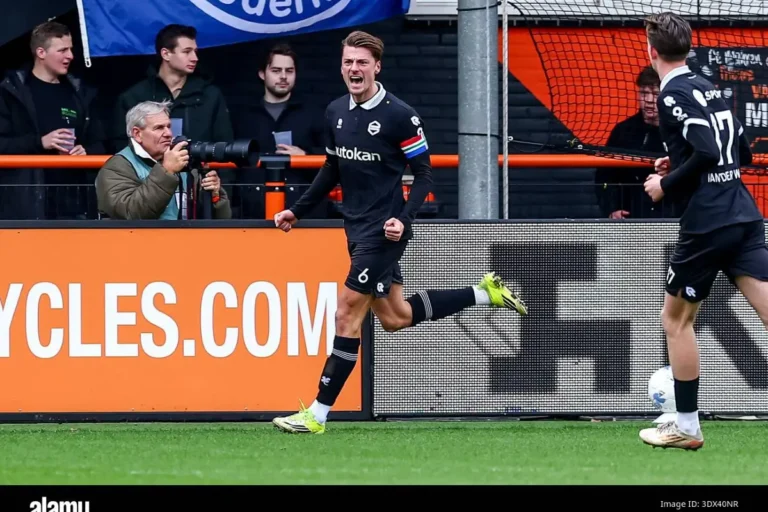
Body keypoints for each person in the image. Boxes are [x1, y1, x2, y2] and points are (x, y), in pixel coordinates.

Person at [270, 31, 528, 434]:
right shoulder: (335, 111)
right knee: (395, 316)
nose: (354, 69)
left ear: (377, 67)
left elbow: (424, 174)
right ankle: (484, 293)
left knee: (346, 312)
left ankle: (317, 415)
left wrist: (404, 219)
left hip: (385, 231)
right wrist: (297, 210)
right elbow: (331, 169)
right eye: (348, 62)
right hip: (355, 227)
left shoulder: (399, 115)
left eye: (362, 62)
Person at [640, 12, 768, 450]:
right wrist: (678, 162)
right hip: (743, 214)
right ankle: (685, 424)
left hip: (708, 223)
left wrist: (666, 184)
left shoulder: (672, 92)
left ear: (651, 51)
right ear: (689, 48)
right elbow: (741, 152)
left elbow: (709, 151)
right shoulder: (708, 86)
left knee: (675, 321)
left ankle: (687, 427)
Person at [95, 100, 231, 220]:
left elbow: (219, 222)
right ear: (137, 134)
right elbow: (131, 214)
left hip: (185, 239)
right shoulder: (117, 167)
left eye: (168, 126)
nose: (168, 134)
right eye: (159, 128)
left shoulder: (183, 163)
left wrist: (215, 196)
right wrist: (166, 171)